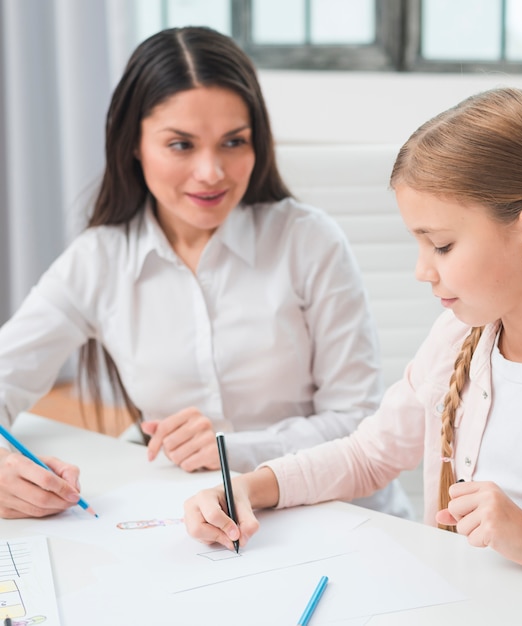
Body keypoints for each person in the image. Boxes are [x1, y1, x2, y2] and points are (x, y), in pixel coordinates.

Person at [183, 86, 522, 580]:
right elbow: (367, 454)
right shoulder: (454, 340)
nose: (422, 271)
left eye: (442, 245)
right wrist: (247, 488)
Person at [0, 26, 412, 520]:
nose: (212, 172)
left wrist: (230, 449)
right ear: (133, 144)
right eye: (181, 145)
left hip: (339, 512)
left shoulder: (309, 241)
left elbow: (360, 424)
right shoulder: (99, 260)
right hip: (198, 523)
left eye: (233, 142)